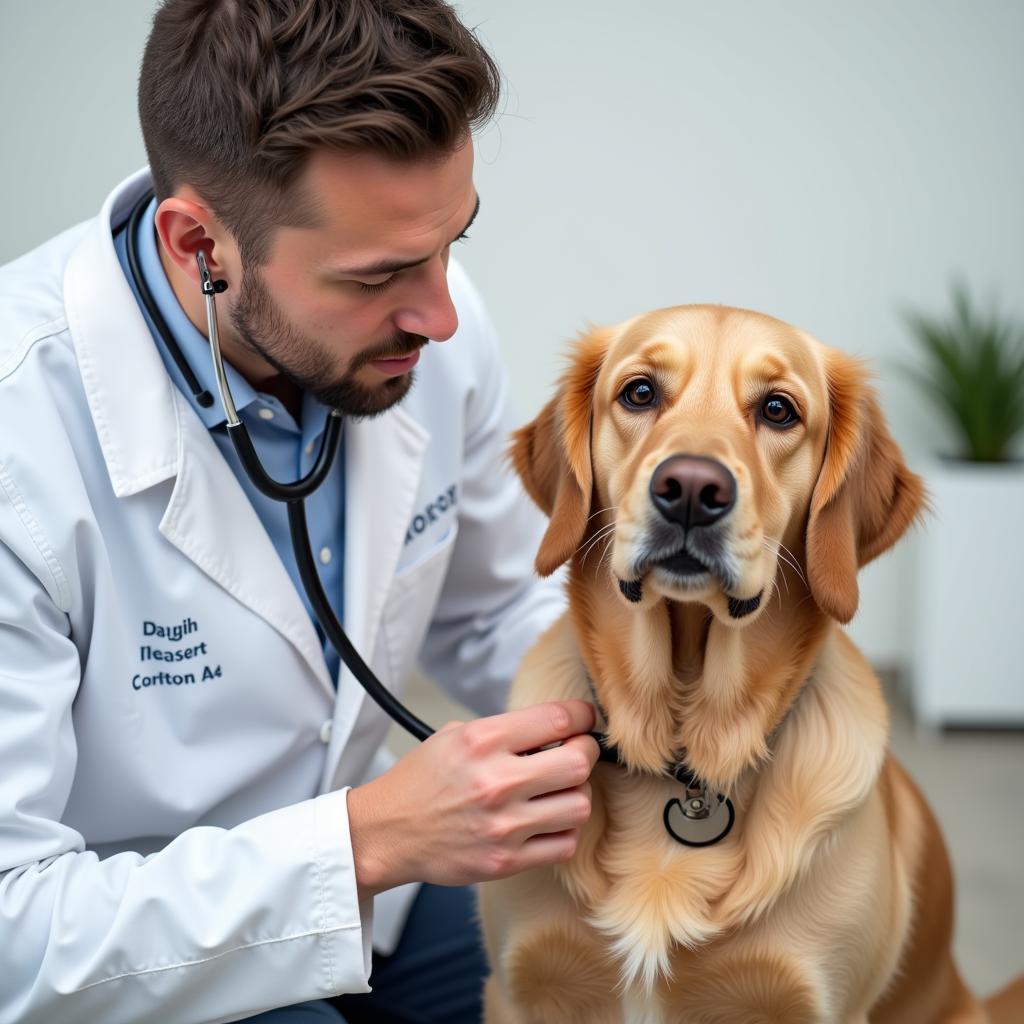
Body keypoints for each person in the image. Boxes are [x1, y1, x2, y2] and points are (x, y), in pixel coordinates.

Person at [0, 2, 601, 1021]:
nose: (443, 315)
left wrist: (674, 707)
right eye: (376, 277)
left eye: (453, 242)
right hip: (124, 954)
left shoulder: (426, 335)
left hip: (380, 896)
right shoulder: (24, 436)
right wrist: (363, 839)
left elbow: (494, 616)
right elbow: (15, 933)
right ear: (199, 243)